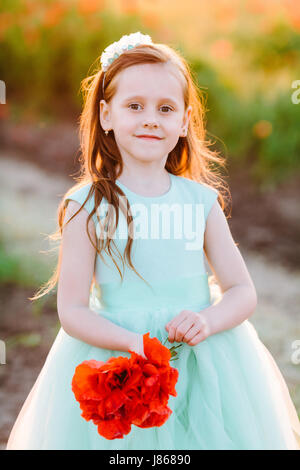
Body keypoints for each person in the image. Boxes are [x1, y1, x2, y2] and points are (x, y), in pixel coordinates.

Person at [6, 32, 300, 450]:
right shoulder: (85, 205)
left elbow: (242, 291)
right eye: (134, 106)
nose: (150, 119)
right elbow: (71, 309)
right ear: (106, 115)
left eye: (165, 109)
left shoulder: (200, 202)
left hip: (202, 361)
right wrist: (131, 344)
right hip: (119, 359)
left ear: (183, 121)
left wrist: (208, 321)